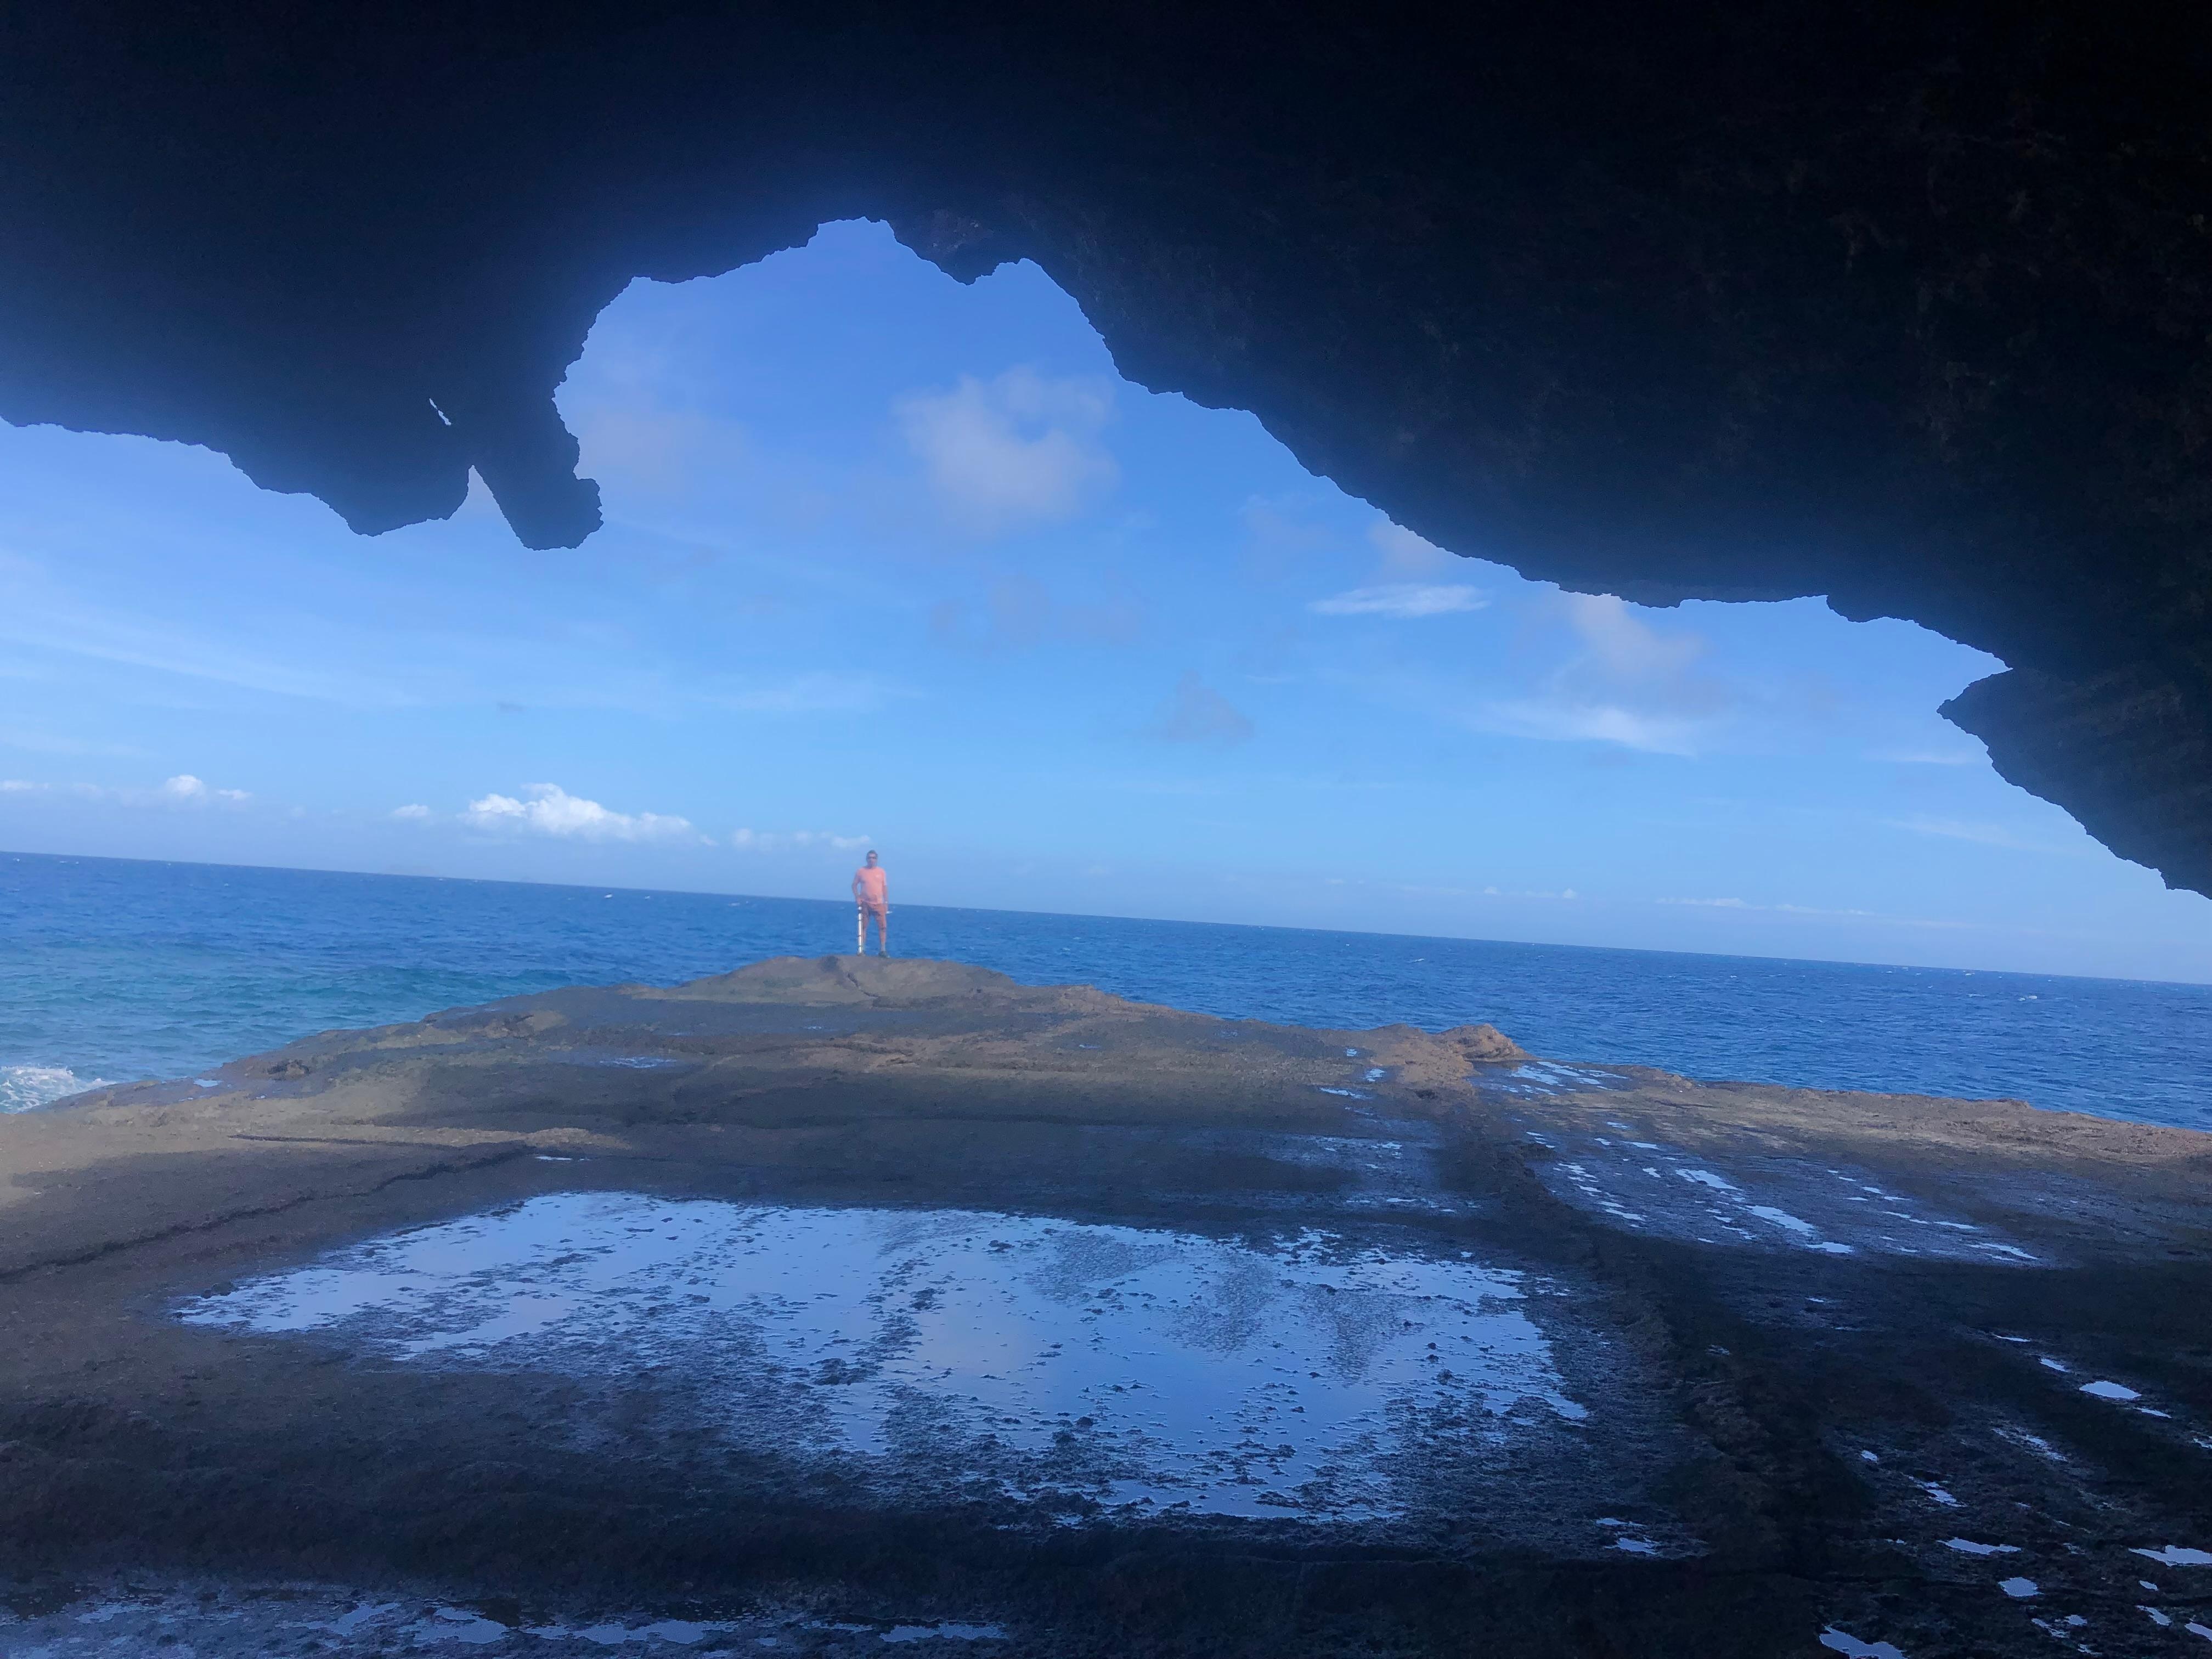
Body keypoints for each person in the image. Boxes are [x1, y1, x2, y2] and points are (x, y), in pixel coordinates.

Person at [851, 849, 890, 956]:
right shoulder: (861, 871)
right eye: (869, 858)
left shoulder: (881, 872)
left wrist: (886, 902)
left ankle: (883, 950)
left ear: (876, 860)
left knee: (883, 927)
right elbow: (854, 885)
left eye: (873, 858)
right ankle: (861, 950)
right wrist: (857, 897)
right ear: (866, 859)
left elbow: (884, 887)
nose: (871, 860)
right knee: (863, 927)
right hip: (865, 903)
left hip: (879, 904)